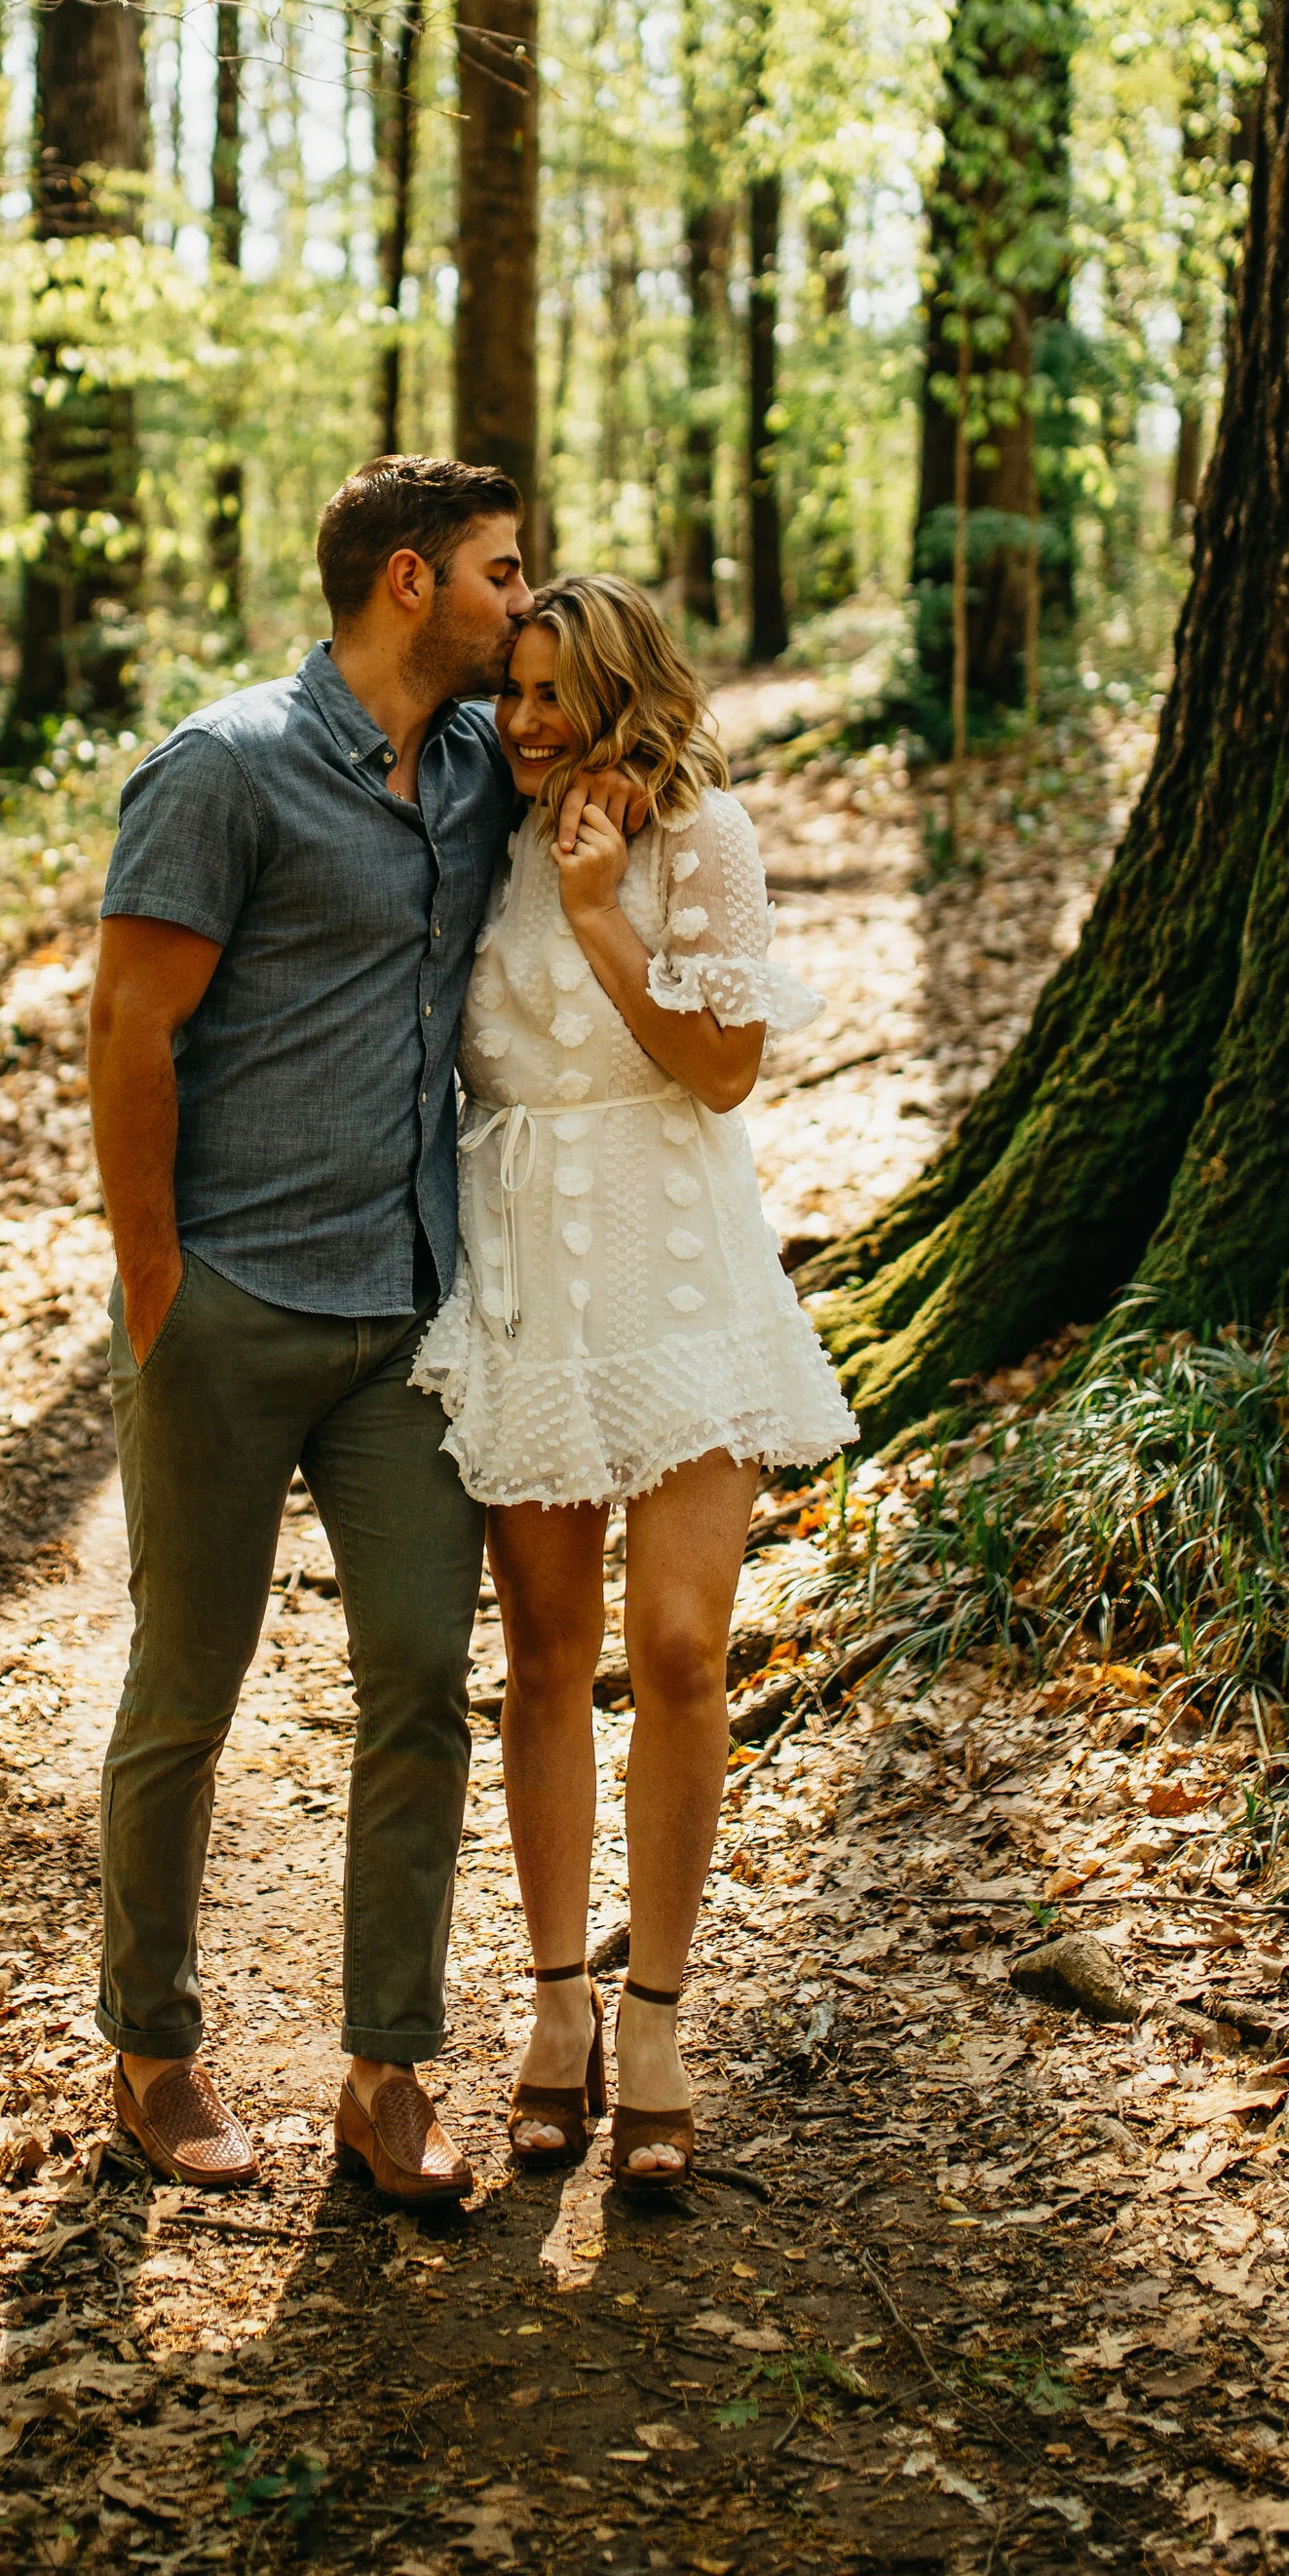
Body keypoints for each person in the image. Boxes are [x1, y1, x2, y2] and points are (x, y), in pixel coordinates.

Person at [85, 455, 636, 2207]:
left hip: (411, 1315)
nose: (521, 604)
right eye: (500, 573)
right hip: (232, 1308)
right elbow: (126, 1027)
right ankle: (154, 2053)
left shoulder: (488, 764)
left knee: (421, 1691)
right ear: (409, 584)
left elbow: (648, 756)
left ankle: (388, 2071)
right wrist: (157, 1281)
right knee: (187, 1692)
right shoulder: (223, 770)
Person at [412, 576, 856, 2187]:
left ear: (623, 700)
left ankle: (656, 2012)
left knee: (677, 1647)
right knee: (542, 1653)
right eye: (511, 690)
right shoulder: (475, 829)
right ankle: (551, 2009)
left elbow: (726, 1069)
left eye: (552, 695)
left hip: (682, 1270)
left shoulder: (705, 841)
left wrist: (606, 912)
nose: (521, 721)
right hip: (527, 1266)